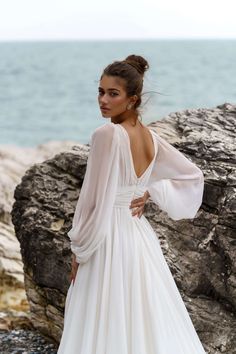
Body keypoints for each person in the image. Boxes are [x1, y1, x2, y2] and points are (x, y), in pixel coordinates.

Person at [57, 54, 206, 354]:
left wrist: (79, 249)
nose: (103, 100)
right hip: (138, 237)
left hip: (106, 239)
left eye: (113, 93)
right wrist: (151, 191)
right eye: (100, 91)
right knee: (142, 316)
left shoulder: (106, 134)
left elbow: (92, 199)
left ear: (132, 99)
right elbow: (192, 175)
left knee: (103, 319)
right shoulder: (150, 137)